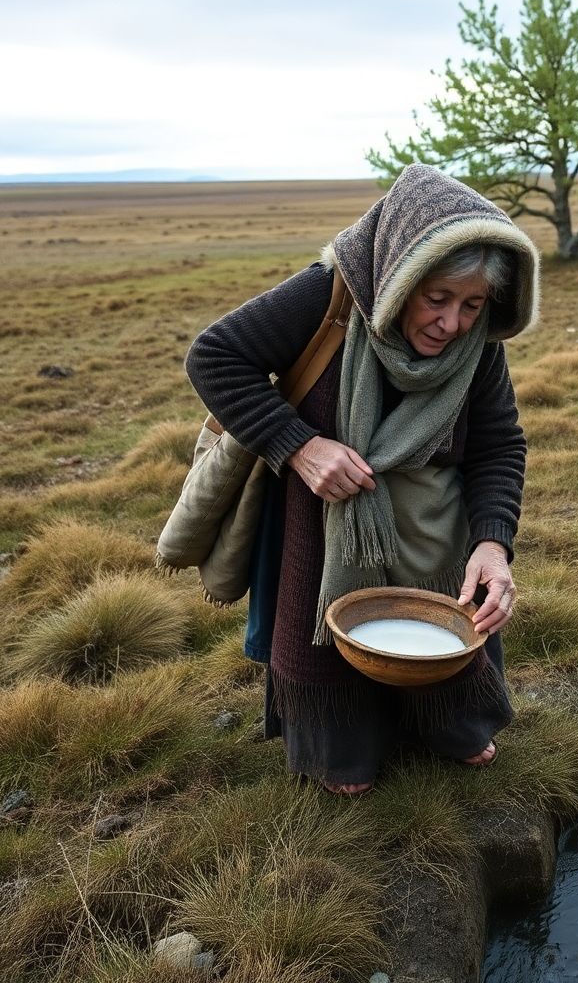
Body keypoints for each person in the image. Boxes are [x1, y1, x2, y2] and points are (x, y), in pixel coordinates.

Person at [185, 164, 540, 795]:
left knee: (450, 637)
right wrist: (299, 446)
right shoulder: (329, 295)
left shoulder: (479, 343)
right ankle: (341, 747)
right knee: (337, 718)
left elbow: (498, 444)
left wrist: (493, 543)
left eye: (473, 305)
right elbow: (214, 356)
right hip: (322, 522)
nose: (453, 324)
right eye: (436, 298)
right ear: (398, 276)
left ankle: (448, 726)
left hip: (436, 525)